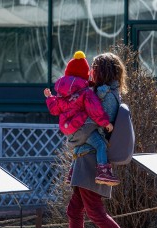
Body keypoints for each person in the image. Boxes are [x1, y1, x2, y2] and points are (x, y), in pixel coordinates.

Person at [44, 52, 143, 228]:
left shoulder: (106, 95)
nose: (90, 72)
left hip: (90, 157)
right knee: (74, 210)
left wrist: (73, 135)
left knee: (95, 212)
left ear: (103, 70)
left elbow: (96, 125)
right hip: (86, 156)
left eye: (95, 68)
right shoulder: (104, 92)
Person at [44, 51, 119, 186]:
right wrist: (105, 122)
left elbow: (54, 109)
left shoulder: (61, 95)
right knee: (100, 144)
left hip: (68, 129)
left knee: (80, 144)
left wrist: (49, 98)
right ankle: (103, 172)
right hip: (82, 127)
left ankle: (72, 172)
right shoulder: (86, 92)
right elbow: (95, 109)